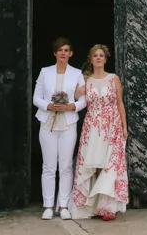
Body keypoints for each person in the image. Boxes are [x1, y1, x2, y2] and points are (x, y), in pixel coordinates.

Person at [71, 44, 129, 220]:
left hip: (112, 124)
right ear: (90, 59)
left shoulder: (113, 78)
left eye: (101, 55)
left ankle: (109, 207)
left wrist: (124, 126)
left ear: (105, 59)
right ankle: (95, 205)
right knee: (95, 164)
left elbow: (119, 102)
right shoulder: (85, 80)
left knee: (110, 163)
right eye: (95, 55)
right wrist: (75, 94)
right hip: (92, 125)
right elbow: (78, 102)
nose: (98, 58)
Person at [33, 37, 87, 221]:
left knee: (65, 166)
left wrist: (71, 107)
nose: (63, 53)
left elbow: (83, 100)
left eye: (66, 50)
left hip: (68, 123)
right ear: (55, 53)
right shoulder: (44, 72)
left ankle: (63, 206)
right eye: (60, 50)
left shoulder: (77, 73)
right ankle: (48, 206)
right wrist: (49, 106)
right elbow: (36, 98)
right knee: (48, 166)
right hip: (47, 122)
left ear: (71, 54)